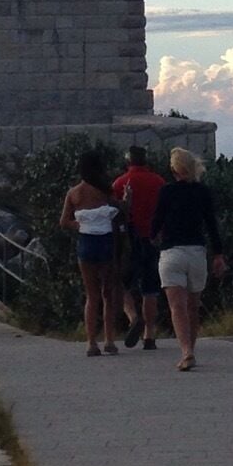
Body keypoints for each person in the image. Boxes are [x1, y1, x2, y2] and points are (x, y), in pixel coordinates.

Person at [149, 145, 225, 372]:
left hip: (172, 252)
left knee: (177, 307)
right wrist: (218, 254)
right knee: (193, 306)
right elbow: (212, 225)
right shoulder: (203, 192)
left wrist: (153, 236)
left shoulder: (166, 191)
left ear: (174, 170)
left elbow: (156, 221)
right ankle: (189, 350)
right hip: (196, 253)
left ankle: (186, 352)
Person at [58, 147, 123, 357]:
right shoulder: (106, 190)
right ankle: (110, 340)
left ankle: (91, 342)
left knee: (91, 294)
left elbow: (64, 221)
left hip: (86, 243)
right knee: (108, 293)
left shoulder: (74, 192)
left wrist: (81, 224)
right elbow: (120, 211)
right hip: (105, 242)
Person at [111, 144, 167, 351]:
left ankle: (134, 317)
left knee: (121, 283)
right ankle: (149, 334)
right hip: (153, 239)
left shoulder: (119, 183)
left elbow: (113, 212)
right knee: (150, 288)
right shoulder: (159, 182)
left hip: (130, 240)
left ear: (128, 161)